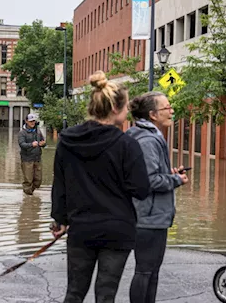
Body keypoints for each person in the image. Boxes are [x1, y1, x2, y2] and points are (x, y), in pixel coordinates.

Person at [51, 71, 150, 303]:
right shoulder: (127, 145)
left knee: (74, 293)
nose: (127, 114)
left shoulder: (67, 141)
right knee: (106, 295)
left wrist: (60, 219)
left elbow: (60, 185)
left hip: (80, 228)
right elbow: (142, 190)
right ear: (115, 109)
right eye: (126, 108)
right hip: (117, 230)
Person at [126, 91, 189, 303]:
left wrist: (169, 174)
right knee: (146, 272)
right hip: (149, 218)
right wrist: (177, 180)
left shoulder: (147, 136)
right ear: (153, 115)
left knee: (150, 272)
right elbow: (150, 181)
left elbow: (148, 174)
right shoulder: (148, 140)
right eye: (167, 108)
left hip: (150, 216)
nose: (172, 111)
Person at [18, 113, 46, 195]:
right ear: (26, 121)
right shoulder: (22, 133)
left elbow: (43, 142)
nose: (32, 123)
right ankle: (28, 199)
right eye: (30, 121)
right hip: (27, 159)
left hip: (37, 159)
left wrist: (43, 144)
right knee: (28, 180)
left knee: (38, 180)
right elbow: (21, 144)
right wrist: (31, 144)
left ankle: (30, 193)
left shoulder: (38, 131)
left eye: (33, 121)